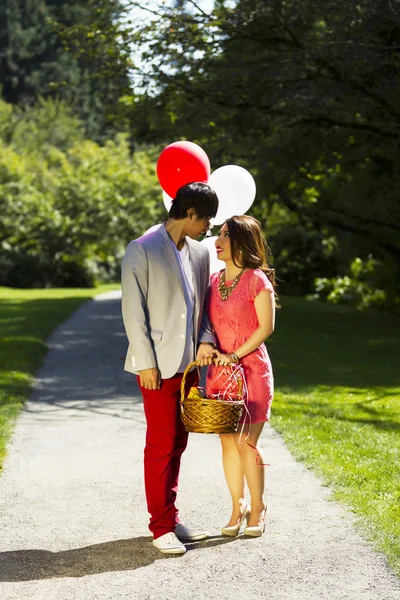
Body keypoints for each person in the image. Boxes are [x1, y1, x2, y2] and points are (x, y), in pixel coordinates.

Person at [121, 182, 218, 555]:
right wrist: (145, 362)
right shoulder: (141, 249)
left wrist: (206, 340)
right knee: (161, 444)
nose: (208, 226)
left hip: (191, 365)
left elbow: (205, 305)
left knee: (178, 442)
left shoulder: (199, 252)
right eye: (206, 218)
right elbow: (133, 311)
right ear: (190, 213)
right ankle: (159, 526)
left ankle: (170, 516)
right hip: (156, 367)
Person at [202, 215, 276, 538]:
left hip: (252, 371)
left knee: (247, 442)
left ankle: (258, 508)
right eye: (218, 234)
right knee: (227, 442)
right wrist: (207, 345)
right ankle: (238, 505)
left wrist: (235, 354)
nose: (218, 240)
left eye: (226, 235)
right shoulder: (214, 282)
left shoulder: (258, 280)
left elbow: (266, 327)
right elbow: (206, 324)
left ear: (243, 242)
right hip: (220, 374)